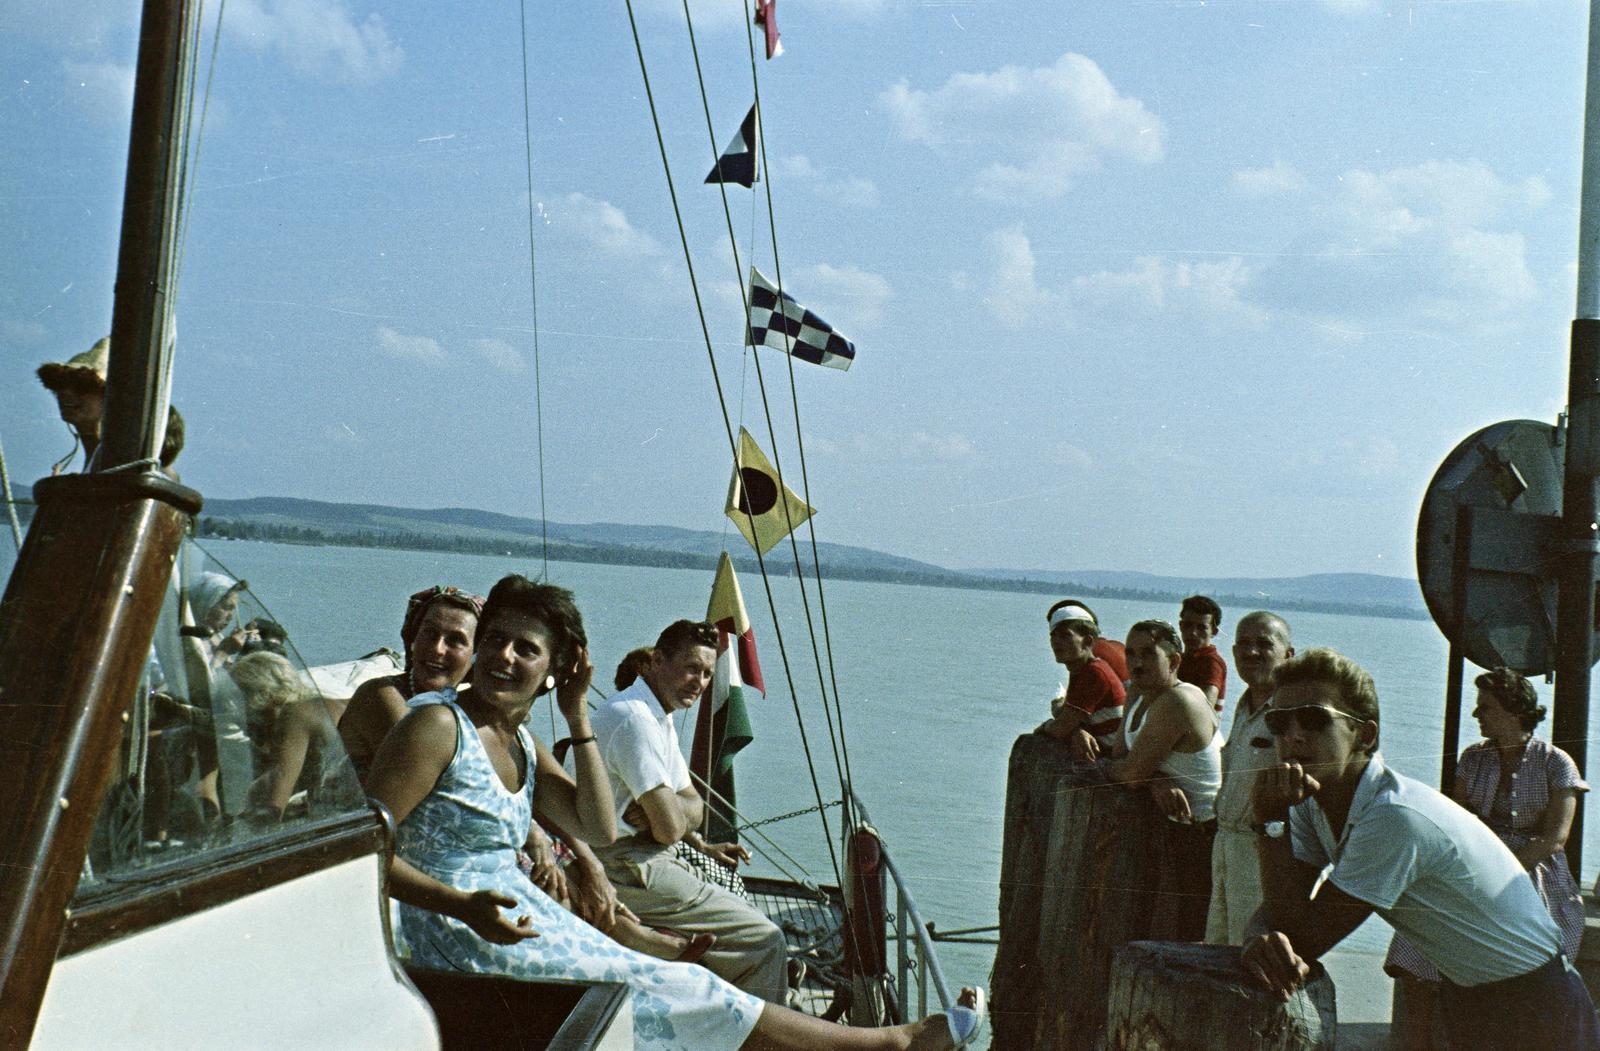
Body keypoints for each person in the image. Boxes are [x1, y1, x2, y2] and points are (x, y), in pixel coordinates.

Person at [366, 575, 984, 1051]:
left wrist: (579, 714)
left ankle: (888, 1044)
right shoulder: (436, 725)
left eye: (526, 649)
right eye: (494, 640)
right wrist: (460, 905)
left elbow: (596, 827)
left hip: (504, 917)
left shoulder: (520, 742)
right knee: (679, 985)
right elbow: (361, 857)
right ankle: (893, 1043)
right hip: (449, 932)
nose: (502, 657)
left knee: (678, 982)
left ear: (555, 670)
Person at [1241, 649, 1599, 1050]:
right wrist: (1260, 935)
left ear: (1366, 735)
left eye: (1313, 719)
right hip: (1471, 994)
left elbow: (1305, 938)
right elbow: (1286, 912)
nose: (1292, 735)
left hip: (1536, 1002)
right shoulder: (1311, 802)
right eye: (1278, 722)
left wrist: (1268, 823)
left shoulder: (1393, 816)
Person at [1381, 666, 1590, 1049]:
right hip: (1475, 862)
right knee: (1416, 938)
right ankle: (1419, 1044)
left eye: (1486, 707)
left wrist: (1502, 871)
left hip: (1530, 870)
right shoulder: (1474, 759)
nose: (1477, 715)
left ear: (1513, 710)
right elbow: (1454, 821)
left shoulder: (1556, 762)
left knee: (1521, 959)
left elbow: (1554, 839)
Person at [588, 619, 789, 1002]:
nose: (699, 682)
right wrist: (672, 816)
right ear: (657, 661)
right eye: (691, 668)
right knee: (766, 939)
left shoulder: (656, 716)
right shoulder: (635, 719)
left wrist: (674, 813)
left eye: (708, 673)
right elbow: (668, 828)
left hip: (648, 855)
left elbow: (695, 807)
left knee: (741, 912)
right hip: (624, 866)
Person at [1101, 619, 1221, 938]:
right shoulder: (1139, 694)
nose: (1136, 663)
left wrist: (1142, 774)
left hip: (1203, 833)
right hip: (1174, 828)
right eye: (1130, 654)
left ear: (1174, 661)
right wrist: (1154, 778)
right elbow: (1120, 757)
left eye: (1148, 654)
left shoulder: (1179, 700)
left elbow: (1127, 772)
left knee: (1188, 934)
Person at [1204, 612, 1294, 945]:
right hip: (1226, 845)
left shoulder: (1291, 713)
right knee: (1218, 948)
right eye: (1243, 644)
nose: (1251, 652)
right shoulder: (1244, 706)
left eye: (1263, 644)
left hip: (1262, 853)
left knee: (1253, 951)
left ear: (1289, 654)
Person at [340, 585, 484, 783]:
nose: (438, 649)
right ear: (413, 639)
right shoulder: (381, 695)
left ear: (475, 656)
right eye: (430, 633)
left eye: (455, 641)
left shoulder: (458, 708)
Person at [1034, 600, 1127, 761]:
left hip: (1114, 755)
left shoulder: (1094, 672)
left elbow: (1061, 728)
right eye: (1053, 635)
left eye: (1065, 635)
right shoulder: (1083, 669)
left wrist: (1044, 726)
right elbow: (1070, 718)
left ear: (1088, 642)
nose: (1056, 641)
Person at [36, 337, 109, 474]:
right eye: (60, 384)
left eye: (82, 386)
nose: (66, 392)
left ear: (109, 396)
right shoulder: (97, 458)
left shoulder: (120, 458)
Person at [1176, 595, 1227, 714]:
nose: (1193, 633)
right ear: (1180, 626)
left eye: (1201, 628)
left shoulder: (1211, 663)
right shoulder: (1181, 659)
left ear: (1213, 632)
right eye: (1188, 625)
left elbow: (1204, 709)